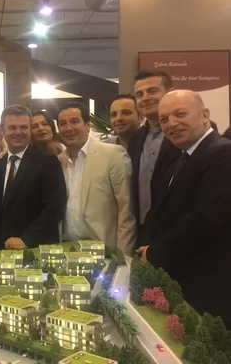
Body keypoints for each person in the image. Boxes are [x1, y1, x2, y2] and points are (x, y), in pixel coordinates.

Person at [136, 90, 231, 327]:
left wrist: (155, 252)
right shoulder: (182, 156)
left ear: (205, 115)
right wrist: (145, 247)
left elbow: (204, 220)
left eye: (180, 114)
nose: (171, 124)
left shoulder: (223, 153)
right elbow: (159, 209)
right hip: (181, 274)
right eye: (164, 119)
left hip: (207, 281)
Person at [57, 103, 136, 255]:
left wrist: (123, 256)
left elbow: (126, 211)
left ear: (87, 125)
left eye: (74, 121)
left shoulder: (112, 154)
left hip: (104, 249)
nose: (68, 128)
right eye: (62, 123)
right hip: (66, 250)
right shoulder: (58, 162)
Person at [0, 105, 66, 249]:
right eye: (12, 127)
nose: (18, 132)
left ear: (30, 130)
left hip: (34, 247)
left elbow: (54, 207)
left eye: (23, 127)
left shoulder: (48, 162)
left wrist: (26, 239)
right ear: (2, 130)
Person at [128, 70, 181, 247]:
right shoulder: (136, 139)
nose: (145, 98)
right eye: (139, 94)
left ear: (170, 92)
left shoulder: (184, 132)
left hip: (177, 230)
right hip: (142, 230)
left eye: (152, 91)